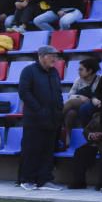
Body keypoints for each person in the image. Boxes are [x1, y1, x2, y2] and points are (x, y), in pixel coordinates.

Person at [18, 46, 65, 191]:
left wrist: (59, 108)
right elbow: (24, 93)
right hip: (34, 119)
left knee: (48, 151)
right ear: (42, 56)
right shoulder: (29, 71)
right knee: (32, 150)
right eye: (52, 56)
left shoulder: (54, 72)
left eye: (56, 56)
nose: (55, 59)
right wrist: (39, 110)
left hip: (52, 119)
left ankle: (44, 180)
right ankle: (27, 179)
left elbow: (58, 92)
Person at [62, 58, 102, 147]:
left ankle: (54, 120)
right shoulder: (78, 80)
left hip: (92, 106)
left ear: (90, 71)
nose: (78, 72)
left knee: (71, 103)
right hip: (79, 104)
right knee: (70, 113)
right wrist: (80, 97)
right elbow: (70, 94)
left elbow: (98, 97)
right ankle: (67, 137)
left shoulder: (99, 80)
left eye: (81, 69)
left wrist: (89, 99)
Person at [69, 110, 102, 191]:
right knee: (80, 151)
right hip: (97, 144)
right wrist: (91, 135)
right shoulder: (98, 116)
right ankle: (79, 182)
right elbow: (86, 130)